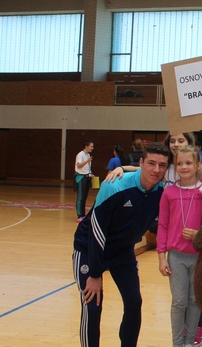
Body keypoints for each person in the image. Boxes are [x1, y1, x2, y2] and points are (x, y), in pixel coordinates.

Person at [72, 142, 170, 347]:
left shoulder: (162, 191)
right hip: (90, 248)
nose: (156, 169)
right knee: (92, 304)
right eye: (151, 163)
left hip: (123, 251)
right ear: (141, 162)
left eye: (162, 165)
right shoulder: (114, 185)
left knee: (134, 302)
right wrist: (95, 274)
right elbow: (96, 232)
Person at [157, 145, 202, 347]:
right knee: (179, 301)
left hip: (199, 256)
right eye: (180, 163)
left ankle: (189, 342)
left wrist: (198, 235)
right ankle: (177, 343)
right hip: (176, 256)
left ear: (198, 165)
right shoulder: (169, 193)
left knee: (194, 301)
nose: (184, 167)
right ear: (175, 166)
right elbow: (163, 225)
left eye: (188, 163)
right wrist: (161, 257)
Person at [74, 140, 94, 221]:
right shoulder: (80, 154)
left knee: (85, 197)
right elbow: (79, 166)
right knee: (80, 196)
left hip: (87, 177)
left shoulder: (88, 155)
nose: (92, 148)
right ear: (86, 146)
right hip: (81, 177)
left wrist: (90, 174)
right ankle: (79, 215)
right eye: (91, 146)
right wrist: (87, 161)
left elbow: (87, 168)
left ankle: (83, 214)